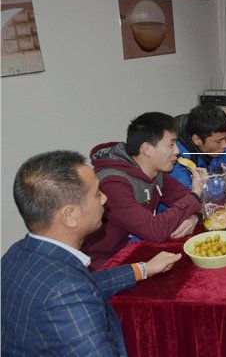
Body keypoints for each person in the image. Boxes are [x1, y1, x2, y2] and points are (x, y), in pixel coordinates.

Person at [1, 150, 182, 356]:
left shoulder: (16, 254)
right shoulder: (67, 295)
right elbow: (73, 290)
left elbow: (88, 283)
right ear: (69, 216)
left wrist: (144, 269)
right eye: (97, 194)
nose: (104, 199)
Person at [82, 112, 206, 270]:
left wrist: (195, 217)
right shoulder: (112, 183)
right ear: (147, 149)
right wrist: (195, 194)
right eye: (171, 144)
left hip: (136, 249)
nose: (177, 151)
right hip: (105, 264)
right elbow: (155, 230)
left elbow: (200, 203)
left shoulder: (155, 172)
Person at [171, 103, 226, 188]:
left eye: (225, 138)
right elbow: (189, 192)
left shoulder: (210, 142)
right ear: (197, 139)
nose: (225, 145)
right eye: (218, 141)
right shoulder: (174, 159)